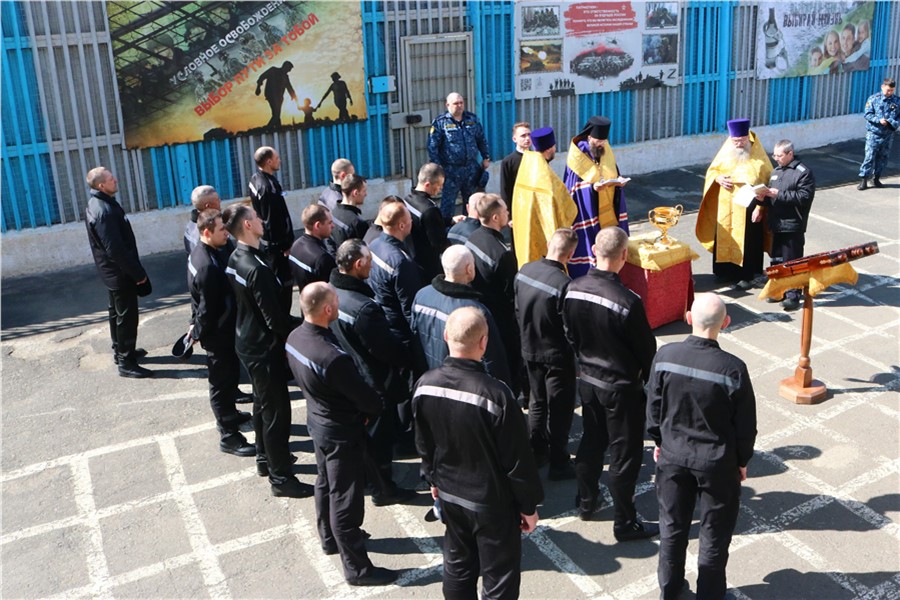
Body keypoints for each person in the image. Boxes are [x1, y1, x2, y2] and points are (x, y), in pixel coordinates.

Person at [413, 306, 543, 600]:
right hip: (490, 503)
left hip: (450, 494)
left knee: (458, 566)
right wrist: (528, 506)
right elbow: (517, 460)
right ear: (484, 342)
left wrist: (432, 479)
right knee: (499, 579)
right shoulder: (496, 395)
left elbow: (424, 441)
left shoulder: (424, 385)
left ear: (446, 336)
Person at [285, 283, 398, 587]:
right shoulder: (331, 357)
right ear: (327, 309)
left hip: (318, 423)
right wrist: (373, 407)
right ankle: (358, 569)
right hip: (341, 434)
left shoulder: (295, 338)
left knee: (325, 482)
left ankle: (329, 538)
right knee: (346, 501)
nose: (338, 304)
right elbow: (366, 399)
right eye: (335, 301)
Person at [647, 293, 757, 600]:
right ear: (726, 323)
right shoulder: (733, 369)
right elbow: (745, 425)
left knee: (672, 530)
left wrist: (659, 440)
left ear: (688, 318)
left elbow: (653, 406)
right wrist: (742, 460)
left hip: (672, 456)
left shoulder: (665, 356)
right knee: (713, 536)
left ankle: (670, 591)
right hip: (717, 464)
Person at [563, 227, 658, 538]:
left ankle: (586, 501)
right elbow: (647, 352)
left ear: (594, 251)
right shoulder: (627, 301)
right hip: (621, 389)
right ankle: (625, 522)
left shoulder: (573, 288)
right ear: (624, 255)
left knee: (591, 443)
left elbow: (570, 334)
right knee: (624, 455)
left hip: (589, 382)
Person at [224, 203, 311, 499]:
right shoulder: (256, 268)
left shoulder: (237, 257)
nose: (261, 219)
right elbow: (275, 320)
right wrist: (305, 329)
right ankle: (281, 478)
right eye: (256, 217)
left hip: (248, 341)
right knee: (276, 413)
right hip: (263, 347)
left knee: (262, 403)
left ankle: (265, 459)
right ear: (247, 225)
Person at [328, 239, 418, 506]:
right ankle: (384, 489)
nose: (372, 266)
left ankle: (372, 478)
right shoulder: (364, 308)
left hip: (352, 377)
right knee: (379, 441)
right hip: (375, 383)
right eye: (368, 261)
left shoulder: (333, 292)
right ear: (358, 264)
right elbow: (386, 349)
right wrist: (410, 357)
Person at [187, 209, 254, 456]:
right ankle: (229, 436)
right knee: (221, 384)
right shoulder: (206, 265)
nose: (227, 233)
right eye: (222, 229)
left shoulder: (211, 251)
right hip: (218, 336)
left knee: (230, 378)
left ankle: (231, 415)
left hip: (225, 331)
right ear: (207, 232)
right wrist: (197, 332)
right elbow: (206, 308)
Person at [515, 228, 578, 480]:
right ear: (570, 255)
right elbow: (570, 329)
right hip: (556, 357)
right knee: (560, 409)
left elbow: (517, 308)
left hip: (529, 349)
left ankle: (538, 450)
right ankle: (559, 463)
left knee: (537, 402)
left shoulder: (525, 270)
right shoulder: (564, 285)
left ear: (549, 244)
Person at [84, 166, 152, 379]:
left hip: (111, 271)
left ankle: (121, 351)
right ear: (101, 185)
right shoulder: (104, 211)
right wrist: (138, 274)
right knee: (127, 317)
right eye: (111, 178)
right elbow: (115, 250)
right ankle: (126, 362)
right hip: (120, 273)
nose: (116, 180)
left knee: (116, 312)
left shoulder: (99, 203)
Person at [411, 245, 512, 388]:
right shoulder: (475, 313)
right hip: (463, 385)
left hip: (431, 378)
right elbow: (494, 361)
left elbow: (415, 336)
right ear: (469, 269)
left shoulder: (421, 296)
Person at [696, 118, 773, 289]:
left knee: (749, 240)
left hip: (749, 207)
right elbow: (713, 170)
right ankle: (725, 272)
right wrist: (718, 178)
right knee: (725, 236)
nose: (738, 144)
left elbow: (767, 180)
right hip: (726, 206)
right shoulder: (726, 151)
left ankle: (747, 275)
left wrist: (760, 207)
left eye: (742, 140)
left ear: (748, 138)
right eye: (735, 140)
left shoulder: (758, 157)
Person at [466, 194, 522, 396]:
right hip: (501, 319)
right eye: (506, 211)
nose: (508, 213)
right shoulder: (502, 253)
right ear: (496, 218)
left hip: (479, 309)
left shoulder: (472, 238)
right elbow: (512, 293)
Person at [563, 116, 630, 277]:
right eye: (598, 141)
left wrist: (618, 181)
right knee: (588, 244)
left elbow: (612, 171)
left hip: (609, 208)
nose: (601, 144)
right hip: (587, 210)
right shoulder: (578, 155)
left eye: (604, 141)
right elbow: (572, 187)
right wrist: (592, 188)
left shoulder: (605, 149)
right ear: (589, 137)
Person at [754, 140, 816, 311]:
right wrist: (762, 198)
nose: (776, 158)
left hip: (792, 224)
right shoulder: (776, 172)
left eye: (779, 155)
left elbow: (804, 197)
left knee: (792, 261)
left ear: (790, 154)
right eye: (774, 155)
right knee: (777, 260)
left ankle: (793, 294)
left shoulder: (803, 173)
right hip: (776, 224)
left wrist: (778, 194)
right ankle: (778, 290)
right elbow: (771, 198)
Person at [510, 126, 577, 268]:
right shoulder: (547, 179)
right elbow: (567, 209)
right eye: (554, 147)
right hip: (543, 237)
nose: (555, 150)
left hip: (524, 231)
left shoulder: (526, 167)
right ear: (548, 150)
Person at [427, 92, 491, 219]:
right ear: (448, 105)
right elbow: (432, 146)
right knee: (448, 204)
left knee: (472, 202)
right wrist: (438, 167)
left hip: (471, 168)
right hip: (450, 170)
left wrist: (486, 157)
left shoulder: (472, 119)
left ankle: (471, 226)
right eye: (456, 103)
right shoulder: (440, 122)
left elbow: (481, 139)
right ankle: (447, 227)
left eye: (461, 103)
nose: (459, 105)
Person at [367, 201, 423, 339]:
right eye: (409, 218)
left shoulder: (374, 244)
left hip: (384, 318)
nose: (412, 221)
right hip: (399, 329)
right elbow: (409, 307)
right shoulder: (401, 262)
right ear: (402, 226)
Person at [249, 146, 295, 312]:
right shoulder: (268, 188)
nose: (279, 161)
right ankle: (283, 319)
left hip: (267, 243)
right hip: (275, 247)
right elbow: (273, 221)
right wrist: (284, 245)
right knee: (283, 284)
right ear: (269, 162)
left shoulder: (256, 179)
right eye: (276, 158)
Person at [404, 162, 451, 280]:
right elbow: (439, 243)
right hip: (428, 266)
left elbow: (426, 223)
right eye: (439, 185)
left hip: (412, 256)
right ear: (428, 185)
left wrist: (450, 221)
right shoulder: (430, 209)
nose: (441, 189)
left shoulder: (407, 200)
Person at [857, 78, 899, 190]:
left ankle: (876, 178)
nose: (889, 92)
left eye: (892, 90)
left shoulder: (897, 101)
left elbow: (898, 116)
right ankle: (864, 179)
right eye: (888, 90)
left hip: (888, 134)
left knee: (883, 157)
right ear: (882, 87)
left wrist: (892, 122)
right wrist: (878, 120)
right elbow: (867, 114)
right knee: (869, 157)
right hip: (874, 133)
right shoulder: (874, 99)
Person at [289, 204, 336, 298]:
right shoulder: (322, 258)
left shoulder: (295, 246)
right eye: (329, 223)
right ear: (317, 225)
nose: (333, 226)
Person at [499, 122, 532, 210]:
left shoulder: (537, 158)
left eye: (529, 135)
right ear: (514, 139)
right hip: (517, 206)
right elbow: (505, 190)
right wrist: (508, 213)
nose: (527, 138)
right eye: (523, 136)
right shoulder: (508, 162)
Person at [331, 173, 370, 248]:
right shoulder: (357, 223)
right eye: (364, 191)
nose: (366, 194)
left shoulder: (333, 212)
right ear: (355, 193)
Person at [255, 61, 297, 129]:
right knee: (276, 115)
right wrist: (258, 87)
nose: (289, 71)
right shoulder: (273, 70)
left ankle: (278, 128)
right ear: (285, 66)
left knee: (276, 114)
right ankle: (267, 129)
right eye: (289, 69)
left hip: (279, 98)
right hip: (271, 95)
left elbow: (289, 87)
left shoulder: (285, 77)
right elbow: (262, 77)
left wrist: (294, 96)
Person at [184, 185, 222, 254]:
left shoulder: (191, 226)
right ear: (208, 206)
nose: (220, 201)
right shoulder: (205, 230)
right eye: (217, 200)